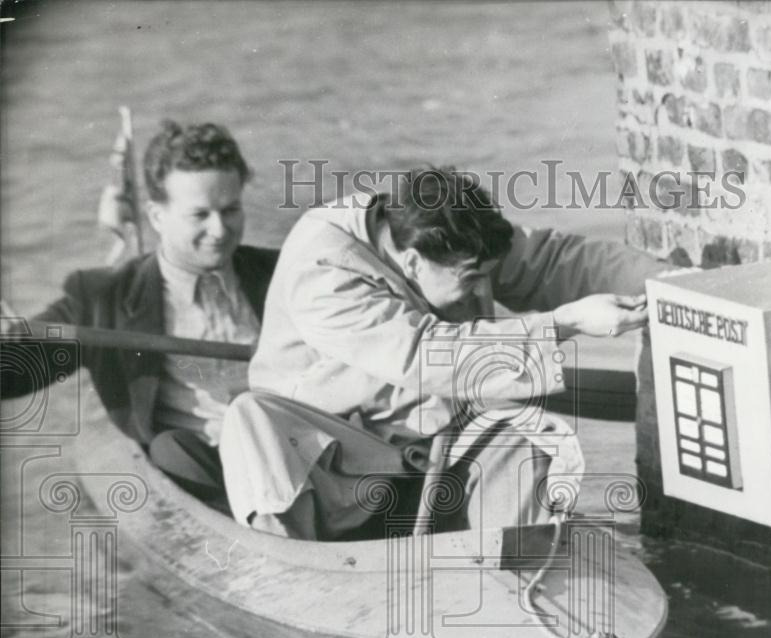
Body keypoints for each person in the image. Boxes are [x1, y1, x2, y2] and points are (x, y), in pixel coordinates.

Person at [221, 166, 665, 540]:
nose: (479, 289)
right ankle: (292, 563)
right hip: (334, 466)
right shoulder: (323, 274)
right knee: (249, 416)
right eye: (470, 280)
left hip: (427, 445)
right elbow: (428, 356)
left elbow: (551, 261)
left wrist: (669, 284)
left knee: (523, 443)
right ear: (412, 263)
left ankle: (518, 586)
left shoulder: (444, 236)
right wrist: (566, 323)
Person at [1, 120, 277, 507]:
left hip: (293, 447)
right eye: (199, 215)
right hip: (206, 473)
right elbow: (12, 374)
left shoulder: (283, 272)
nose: (219, 230)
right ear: (156, 216)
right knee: (170, 448)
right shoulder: (102, 297)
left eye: (230, 210)